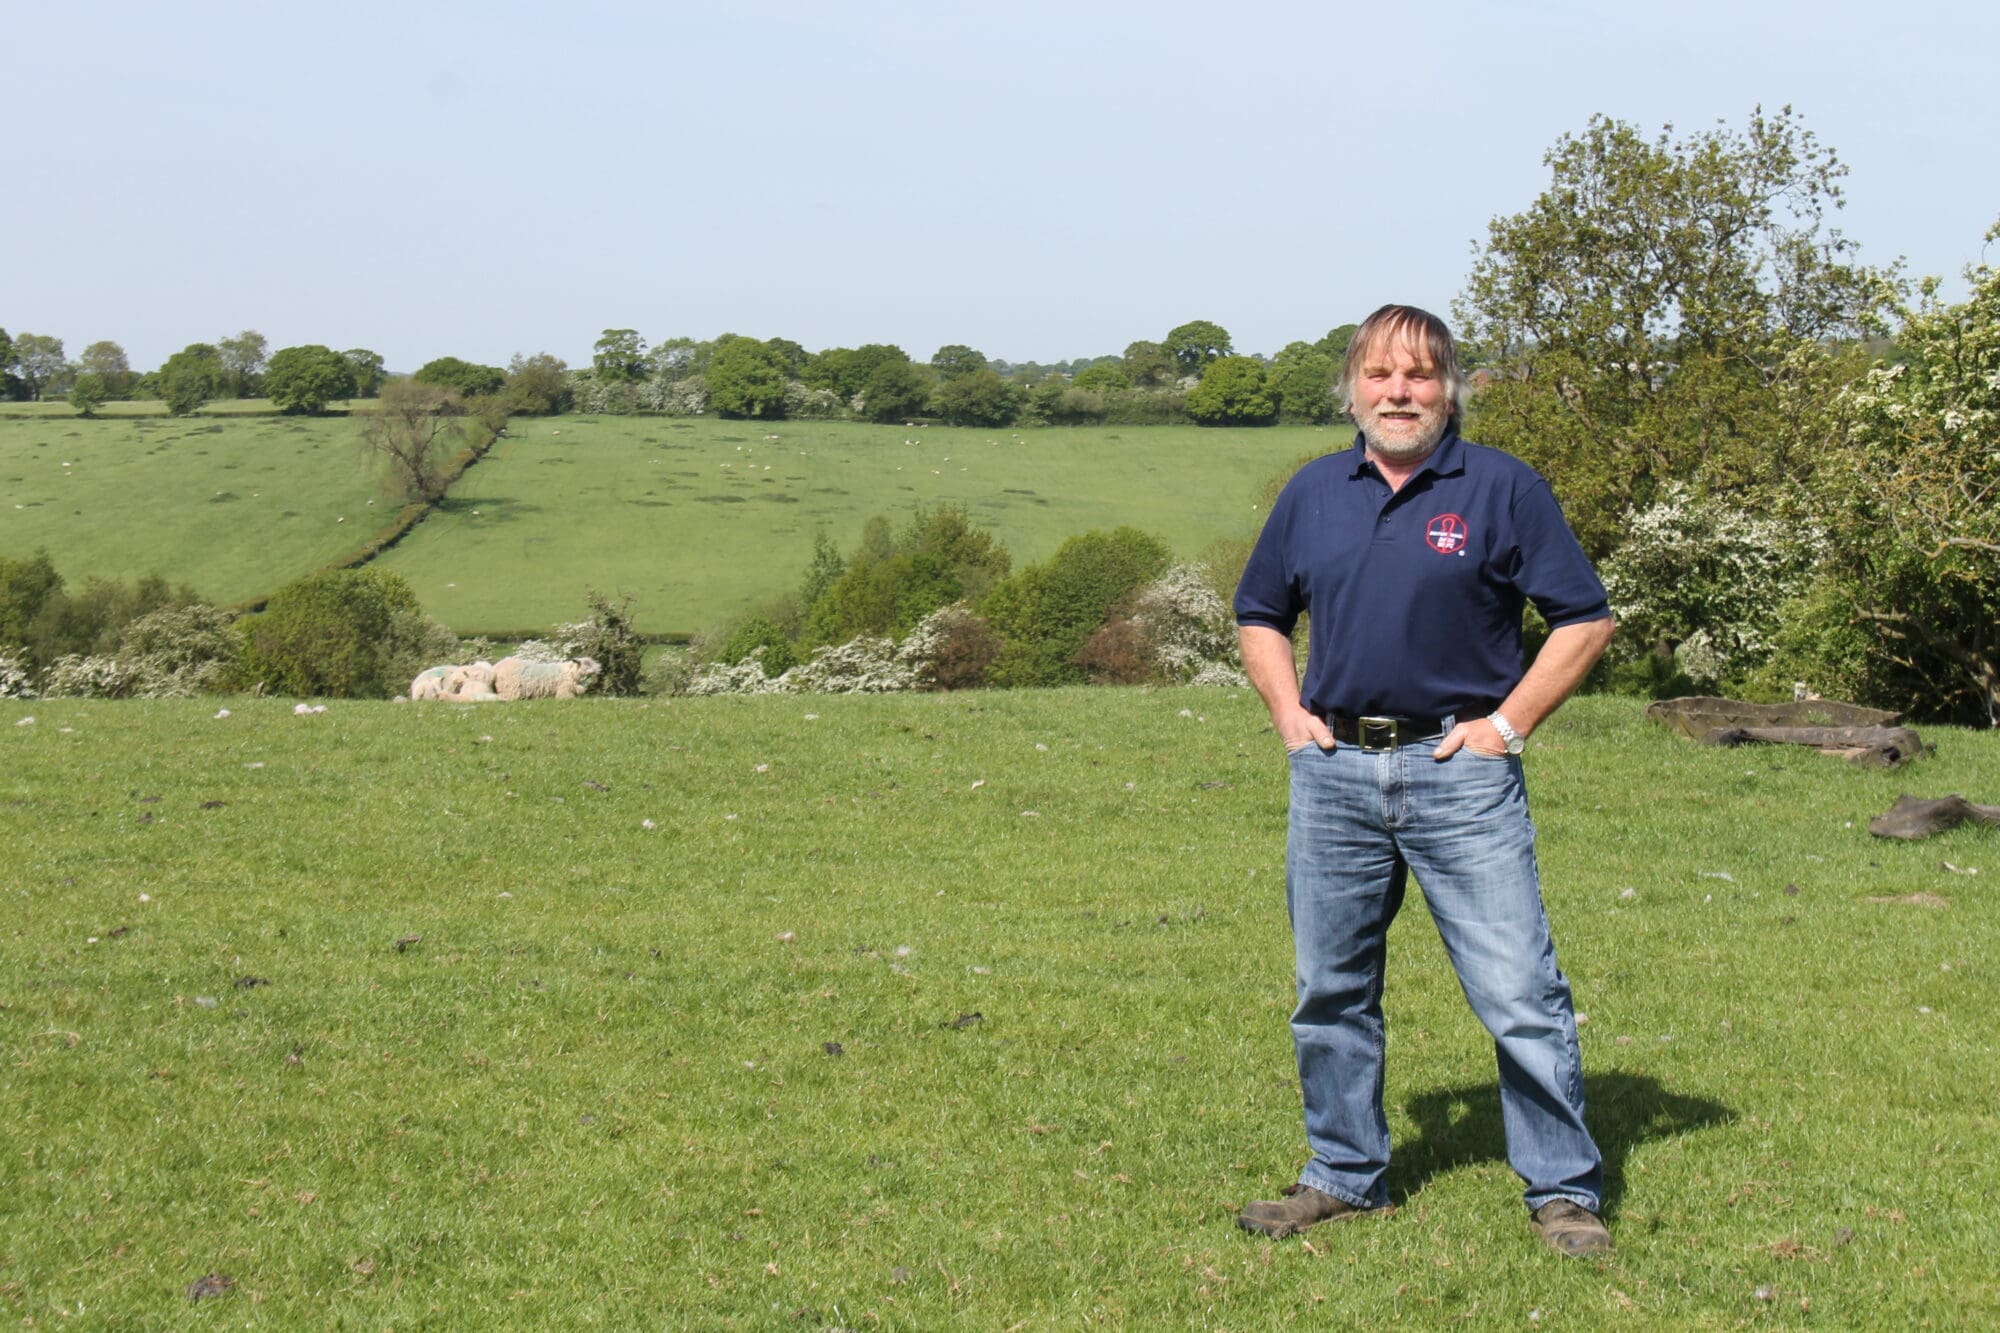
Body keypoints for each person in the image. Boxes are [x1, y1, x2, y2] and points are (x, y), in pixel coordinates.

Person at [1231, 304, 1618, 1257]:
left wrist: (1506, 727)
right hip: (1335, 772)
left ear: (1451, 389)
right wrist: (1288, 716)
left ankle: (1563, 1190)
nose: (1398, 392)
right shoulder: (1312, 493)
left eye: (1419, 375)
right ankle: (1343, 1175)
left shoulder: (1502, 487)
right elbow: (1259, 611)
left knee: (1518, 990)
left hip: (1460, 776)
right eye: (1380, 374)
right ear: (1351, 390)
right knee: (1330, 990)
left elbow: (1585, 618)